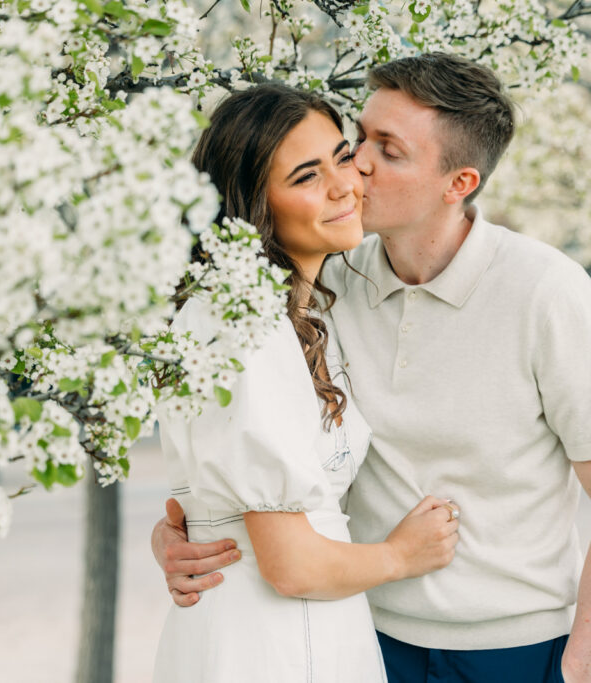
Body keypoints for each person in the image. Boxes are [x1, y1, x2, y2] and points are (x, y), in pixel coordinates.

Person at [153, 55, 591, 683]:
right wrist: (192, 532)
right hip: (361, 633)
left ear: (458, 183)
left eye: (387, 151)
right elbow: (256, 451)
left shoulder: (548, 294)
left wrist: (575, 672)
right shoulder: (325, 278)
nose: (357, 164)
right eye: (359, 137)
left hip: (510, 652)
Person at [151, 83, 460, 683]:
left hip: (287, 626)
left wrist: (187, 528)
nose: (346, 184)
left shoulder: (300, 314)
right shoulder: (248, 324)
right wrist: (401, 555)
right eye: (305, 176)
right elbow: (290, 564)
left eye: (343, 158)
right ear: (252, 205)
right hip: (276, 639)